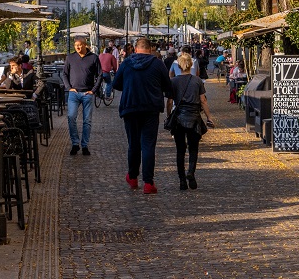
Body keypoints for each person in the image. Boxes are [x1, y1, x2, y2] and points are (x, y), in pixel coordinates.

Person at [112, 37, 170, 194]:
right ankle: (148, 183)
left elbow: (116, 83)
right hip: (150, 108)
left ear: (136, 49)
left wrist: (130, 84)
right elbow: (167, 85)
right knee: (148, 144)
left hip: (130, 107)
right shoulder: (157, 63)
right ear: (150, 49)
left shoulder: (127, 63)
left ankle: (132, 176)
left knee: (133, 143)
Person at [165, 53, 214, 190]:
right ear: (191, 65)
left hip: (179, 117)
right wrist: (209, 117)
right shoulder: (197, 80)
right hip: (194, 117)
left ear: (178, 65)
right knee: (193, 149)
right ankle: (191, 172)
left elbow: (169, 102)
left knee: (180, 150)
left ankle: (182, 181)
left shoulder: (173, 82)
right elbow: (203, 100)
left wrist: (169, 115)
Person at [63, 38, 101, 156]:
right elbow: (65, 73)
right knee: (71, 117)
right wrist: (69, 87)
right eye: (76, 45)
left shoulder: (93, 57)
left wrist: (93, 90)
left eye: (80, 45)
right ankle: (75, 143)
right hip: (73, 93)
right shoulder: (70, 58)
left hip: (87, 94)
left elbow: (100, 75)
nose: (78, 47)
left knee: (87, 121)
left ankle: (84, 145)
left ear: (85, 45)